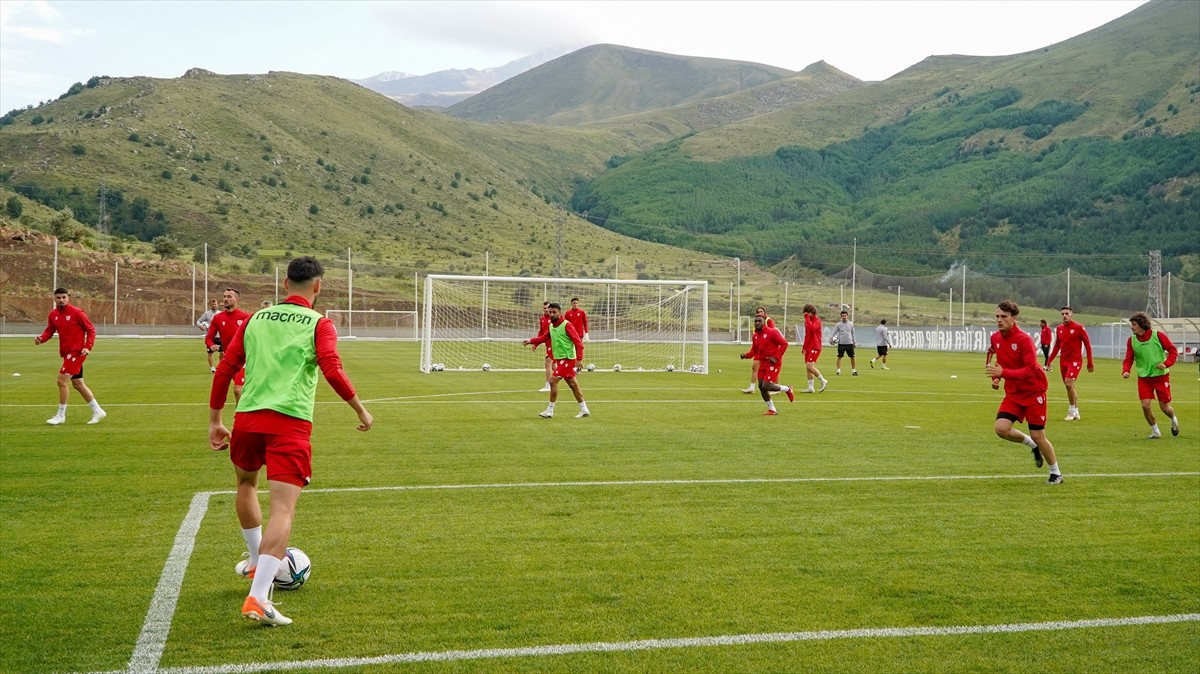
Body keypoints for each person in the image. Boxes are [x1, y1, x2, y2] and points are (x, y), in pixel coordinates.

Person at [209, 256, 373, 627]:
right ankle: (259, 597)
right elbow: (332, 368)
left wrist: (216, 421)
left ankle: (255, 562)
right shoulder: (320, 323)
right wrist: (360, 410)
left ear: (285, 284)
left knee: (246, 484)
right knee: (283, 509)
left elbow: (225, 369)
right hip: (289, 423)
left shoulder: (254, 319)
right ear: (317, 286)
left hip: (248, 418)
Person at [986, 300, 1063, 485]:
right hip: (1013, 392)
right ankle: (1032, 445)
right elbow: (996, 359)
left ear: (1014, 318)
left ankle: (1056, 473)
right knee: (1001, 429)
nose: (999, 320)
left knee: (1039, 434)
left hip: (1033, 390)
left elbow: (1030, 370)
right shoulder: (995, 338)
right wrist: (996, 378)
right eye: (997, 316)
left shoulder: (1024, 340)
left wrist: (1002, 373)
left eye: (1003, 317)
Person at [34, 288, 106, 425]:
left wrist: (87, 346)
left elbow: (91, 330)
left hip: (77, 353)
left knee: (61, 381)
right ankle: (98, 411)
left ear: (68, 298)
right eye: (58, 298)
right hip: (66, 353)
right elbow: (49, 331)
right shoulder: (53, 315)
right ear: (54, 299)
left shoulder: (77, 313)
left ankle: (60, 415)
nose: (61, 300)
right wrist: (41, 338)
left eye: (63, 297)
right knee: (78, 384)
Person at [523, 302, 589, 419]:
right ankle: (584, 409)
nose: (552, 314)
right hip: (560, 359)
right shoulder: (552, 326)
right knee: (573, 384)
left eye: (554, 312)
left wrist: (579, 360)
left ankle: (550, 410)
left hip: (568, 359)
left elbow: (579, 343)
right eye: (550, 312)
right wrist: (532, 341)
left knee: (552, 381)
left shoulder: (567, 325)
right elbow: (545, 337)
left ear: (560, 313)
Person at [1121, 311, 1180, 439]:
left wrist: (1166, 363)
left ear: (1142, 325)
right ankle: (1155, 431)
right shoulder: (1131, 340)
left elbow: (1173, 351)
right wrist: (1126, 370)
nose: (1131, 327)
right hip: (1144, 378)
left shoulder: (1157, 335)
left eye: (1134, 324)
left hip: (1161, 376)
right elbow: (1128, 358)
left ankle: (1173, 419)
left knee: (1164, 408)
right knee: (1145, 405)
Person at [1045, 306, 1094, 421]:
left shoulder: (1079, 328)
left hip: (1075, 361)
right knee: (1070, 386)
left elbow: (1087, 345)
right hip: (1063, 361)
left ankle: (1071, 411)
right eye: (1062, 314)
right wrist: (1049, 361)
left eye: (1066, 313)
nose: (1064, 316)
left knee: (1068, 384)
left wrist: (1090, 362)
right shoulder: (1060, 328)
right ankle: (1076, 411)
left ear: (1071, 314)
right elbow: (1057, 345)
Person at [740, 314, 795, 415]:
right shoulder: (755, 335)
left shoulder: (772, 332)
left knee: (767, 385)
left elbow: (784, 344)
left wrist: (776, 357)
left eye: (759, 321)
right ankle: (772, 410)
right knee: (761, 386)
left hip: (773, 363)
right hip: (763, 362)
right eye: (755, 321)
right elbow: (754, 350)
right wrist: (746, 355)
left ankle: (787, 388)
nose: (757, 323)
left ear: (764, 322)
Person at [206, 288, 252, 401]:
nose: (225, 299)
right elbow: (209, 337)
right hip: (227, 361)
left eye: (229, 297)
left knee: (238, 390)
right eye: (224, 296)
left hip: (242, 360)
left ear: (237, 299)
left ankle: (239, 418)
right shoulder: (218, 318)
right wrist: (211, 345)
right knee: (219, 394)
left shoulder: (245, 317)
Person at [743, 307, 777, 393]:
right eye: (758, 312)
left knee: (772, 368)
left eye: (761, 311)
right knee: (754, 367)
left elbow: (773, 334)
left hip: (769, 350)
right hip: (760, 350)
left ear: (765, 312)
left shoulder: (769, 321)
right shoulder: (757, 323)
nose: (760, 313)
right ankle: (752, 387)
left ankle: (776, 387)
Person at [801, 304, 828, 393]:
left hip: (815, 346)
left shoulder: (817, 321)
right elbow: (807, 334)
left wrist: (807, 319)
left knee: (810, 366)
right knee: (808, 367)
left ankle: (823, 380)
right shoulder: (807, 321)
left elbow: (812, 328)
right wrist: (804, 347)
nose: (806, 315)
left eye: (808, 313)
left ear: (812, 312)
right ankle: (810, 387)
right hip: (809, 346)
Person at [831, 310, 858, 376]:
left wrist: (854, 342)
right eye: (843, 316)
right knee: (839, 357)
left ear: (847, 316)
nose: (844, 317)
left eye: (845, 315)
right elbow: (834, 333)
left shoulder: (851, 324)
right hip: (841, 343)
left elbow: (853, 333)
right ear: (841, 316)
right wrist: (831, 339)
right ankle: (838, 370)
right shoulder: (838, 325)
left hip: (849, 343)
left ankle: (854, 371)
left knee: (852, 357)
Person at [535, 301, 553, 392]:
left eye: (547, 308)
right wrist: (536, 343)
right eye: (544, 308)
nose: (546, 310)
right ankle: (570, 377)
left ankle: (548, 385)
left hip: (554, 344)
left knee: (547, 363)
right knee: (554, 366)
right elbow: (541, 333)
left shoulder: (554, 318)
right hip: (548, 344)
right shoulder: (542, 319)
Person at [197, 298, 220, 372]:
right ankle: (212, 368)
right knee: (210, 353)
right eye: (212, 304)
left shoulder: (221, 313)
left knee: (222, 352)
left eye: (215, 304)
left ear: (217, 304)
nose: (214, 305)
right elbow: (198, 321)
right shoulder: (207, 314)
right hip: (210, 336)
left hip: (220, 336)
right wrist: (201, 326)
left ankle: (221, 366)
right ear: (210, 305)